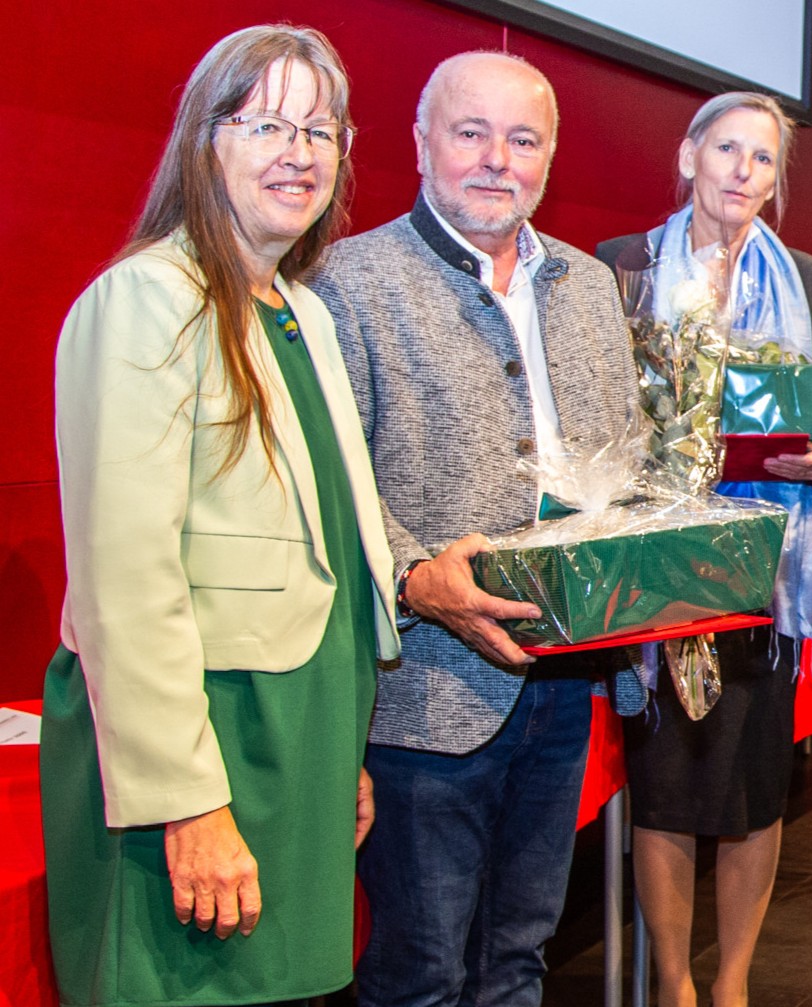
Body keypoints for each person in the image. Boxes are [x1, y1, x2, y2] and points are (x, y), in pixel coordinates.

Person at [41, 25, 397, 1004]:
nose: (300, 152)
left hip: (298, 747)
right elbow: (127, 582)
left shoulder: (301, 311)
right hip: (204, 757)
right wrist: (188, 801)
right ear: (204, 141)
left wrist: (345, 752)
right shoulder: (145, 302)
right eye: (267, 124)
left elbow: (324, 552)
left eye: (321, 130)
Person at [307, 51, 645, 1007]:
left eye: (522, 138)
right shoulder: (347, 280)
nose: (497, 159)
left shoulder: (585, 286)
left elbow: (619, 463)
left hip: (563, 678)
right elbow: (333, 482)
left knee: (520, 958)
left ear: (548, 157)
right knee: (419, 971)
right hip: (421, 690)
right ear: (420, 144)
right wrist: (417, 579)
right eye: (471, 132)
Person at [594, 90, 812, 1007]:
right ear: (689, 155)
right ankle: (672, 980)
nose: (743, 171)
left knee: (752, 784)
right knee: (665, 780)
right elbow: (599, 414)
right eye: (727, 150)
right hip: (660, 558)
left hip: (766, 560)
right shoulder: (621, 265)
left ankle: (732, 980)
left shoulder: (808, 278)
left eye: (764, 159)